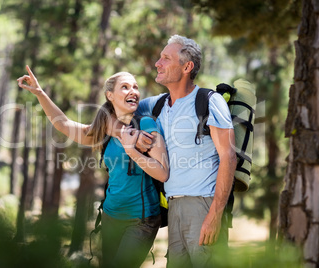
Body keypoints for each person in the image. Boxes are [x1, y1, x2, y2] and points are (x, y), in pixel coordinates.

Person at [17, 67, 169, 268]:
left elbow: (163, 172)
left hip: (141, 220)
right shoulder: (103, 130)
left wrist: (132, 151)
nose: (133, 91)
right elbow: (63, 124)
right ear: (110, 95)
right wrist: (40, 93)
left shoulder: (146, 124)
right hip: (111, 217)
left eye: (135, 87)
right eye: (125, 87)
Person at [126, 35, 237, 267]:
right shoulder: (156, 105)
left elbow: (228, 156)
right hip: (173, 206)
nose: (158, 63)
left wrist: (216, 214)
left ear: (187, 67)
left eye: (166, 58)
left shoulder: (209, 101)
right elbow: (119, 111)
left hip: (204, 205)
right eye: (160, 57)